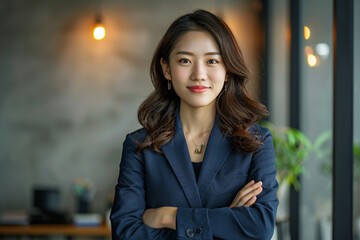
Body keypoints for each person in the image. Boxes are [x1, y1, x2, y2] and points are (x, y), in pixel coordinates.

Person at [110, 9, 279, 240]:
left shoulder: (256, 142)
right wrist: (226, 219)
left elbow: (260, 227)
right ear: (166, 69)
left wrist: (167, 217)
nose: (199, 74)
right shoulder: (139, 146)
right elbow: (126, 233)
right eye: (185, 61)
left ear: (227, 70)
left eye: (212, 61)